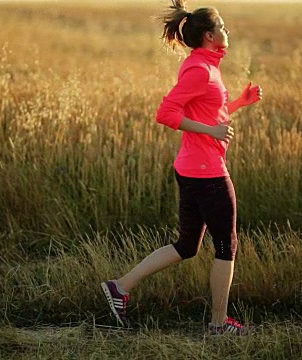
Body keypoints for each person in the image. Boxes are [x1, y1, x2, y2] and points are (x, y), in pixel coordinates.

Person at [101, 0, 262, 335]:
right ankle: (218, 324)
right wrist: (212, 131)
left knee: (187, 246)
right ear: (209, 35)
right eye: (223, 27)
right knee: (226, 246)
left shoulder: (206, 66)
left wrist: (238, 105)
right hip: (207, 172)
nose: (227, 32)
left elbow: (210, 115)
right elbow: (167, 113)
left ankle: (120, 288)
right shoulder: (200, 69)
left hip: (194, 168)